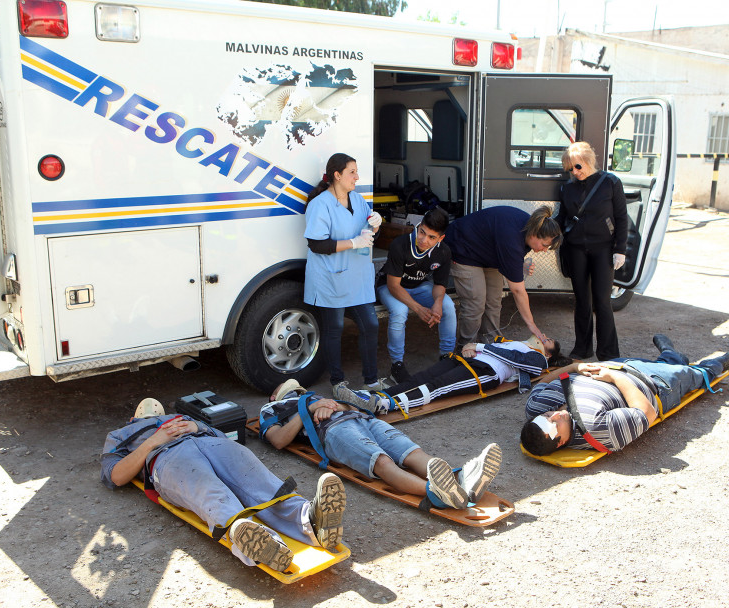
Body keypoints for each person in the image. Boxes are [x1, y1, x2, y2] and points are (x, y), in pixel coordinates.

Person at [100, 398, 347, 572]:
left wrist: (197, 426)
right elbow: (116, 476)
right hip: (167, 456)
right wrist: (153, 441)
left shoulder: (182, 418)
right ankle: (253, 540)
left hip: (210, 443)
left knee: (258, 481)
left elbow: (221, 435)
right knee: (212, 493)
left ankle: (311, 521)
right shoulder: (121, 433)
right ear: (133, 418)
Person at [260, 380, 502, 510]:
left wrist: (333, 405)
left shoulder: (315, 396)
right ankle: (436, 494)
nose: (295, 389)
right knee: (382, 462)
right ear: (275, 396)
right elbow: (279, 441)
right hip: (333, 431)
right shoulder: (272, 409)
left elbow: (354, 407)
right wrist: (307, 410)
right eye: (284, 386)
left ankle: (463, 481)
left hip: (364, 420)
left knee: (412, 453)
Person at [520, 334, 729, 455]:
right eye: (552, 425)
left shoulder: (537, 406)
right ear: (560, 443)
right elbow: (646, 413)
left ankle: (670, 355)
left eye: (545, 417)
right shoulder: (599, 431)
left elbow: (545, 381)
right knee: (694, 374)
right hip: (654, 384)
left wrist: (574, 368)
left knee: (667, 363)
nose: (553, 416)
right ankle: (718, 363)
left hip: (619, 365)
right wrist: (615, 378)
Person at [304, 153, 387, 391]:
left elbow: (369, 235)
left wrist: (376, 225)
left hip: (357, 276)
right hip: (331, 277)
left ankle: (371, 381)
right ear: (337, 175)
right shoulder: (320, 205)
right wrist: (353, 243)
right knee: (334, 329)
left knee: (370, 325)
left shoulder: (358, 200)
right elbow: (316, 245)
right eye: (352, 172)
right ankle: (338, 382)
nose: (357, 177)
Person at [333, 334, 565, 414]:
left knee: (436, 387)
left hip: (486, 372)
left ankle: (386, 405)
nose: (542, 336)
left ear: (549, 353)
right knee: (420, 378)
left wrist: (480, 347)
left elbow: (518, 361)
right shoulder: (517, 342)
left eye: (547, 340)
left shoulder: (538, 358)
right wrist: (472, 347)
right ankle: (367, 398)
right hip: (468, 360)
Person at [443, 205, 561, 346]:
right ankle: (466, 348)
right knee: (475, 304)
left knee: (493, 302)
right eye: (544, 245)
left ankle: (492, 344)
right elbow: (518, 291)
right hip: (464, 248)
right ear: (535, 234)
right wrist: (531, 325)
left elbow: (509, 257)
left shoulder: (530, 228)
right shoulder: (513, 238)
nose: (544, 250)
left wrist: (517, 266)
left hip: (488, 253)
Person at [556, 141, 628, 360]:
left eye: (578, 166)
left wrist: (620, 249)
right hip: (576, 248)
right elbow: (563, 217)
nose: (575, 172)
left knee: (602, 301)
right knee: (582, 300)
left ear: (588, 161)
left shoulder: (610, 182)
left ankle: (608, 352)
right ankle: (582, 348)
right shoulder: (568, 187)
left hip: (603, 249)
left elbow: (621, 217)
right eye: (570, 169)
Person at [376, 207, 456, 383]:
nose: (423, 239)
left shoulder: (444, 251)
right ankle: (397, 365)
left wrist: (437, 302)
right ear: (419, 226)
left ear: (441, 238)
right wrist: (419, 309)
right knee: (400, 311)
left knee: (447, 306)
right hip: (390, 286)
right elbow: (393, 286)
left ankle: (447, 357)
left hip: (419, 286)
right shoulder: (400, 244)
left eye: (431, 237)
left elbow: (440, 284)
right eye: (422, 232)